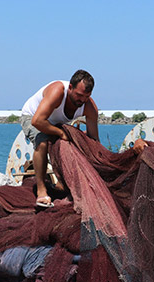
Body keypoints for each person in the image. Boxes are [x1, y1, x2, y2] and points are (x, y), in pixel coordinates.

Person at [20, 70, 99, 207]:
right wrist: (60, 133)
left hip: (55, 122)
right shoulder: (57, 92)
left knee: (73, 143)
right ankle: (41, 190)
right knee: (43, 142)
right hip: (33, 116)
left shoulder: (90, 107)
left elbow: (94, 140)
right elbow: (37, 121)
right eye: (79, 95)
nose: (82, 100)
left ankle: (62, 184)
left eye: (86, 96)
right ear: (70, 88)